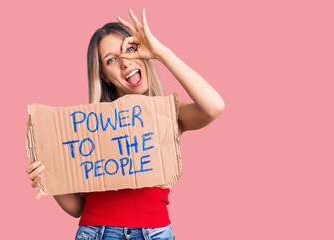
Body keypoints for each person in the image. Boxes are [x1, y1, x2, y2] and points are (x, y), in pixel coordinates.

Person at [25, 8, 224, 240]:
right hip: (96, 233)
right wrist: (49, 177)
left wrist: (161, 52)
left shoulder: (168, 114)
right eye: (111, 59)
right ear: (104, 75)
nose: (125, 62)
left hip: (154, 233)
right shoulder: (86, 127)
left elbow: (214, 106)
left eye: (130, 49)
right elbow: (78, 208)